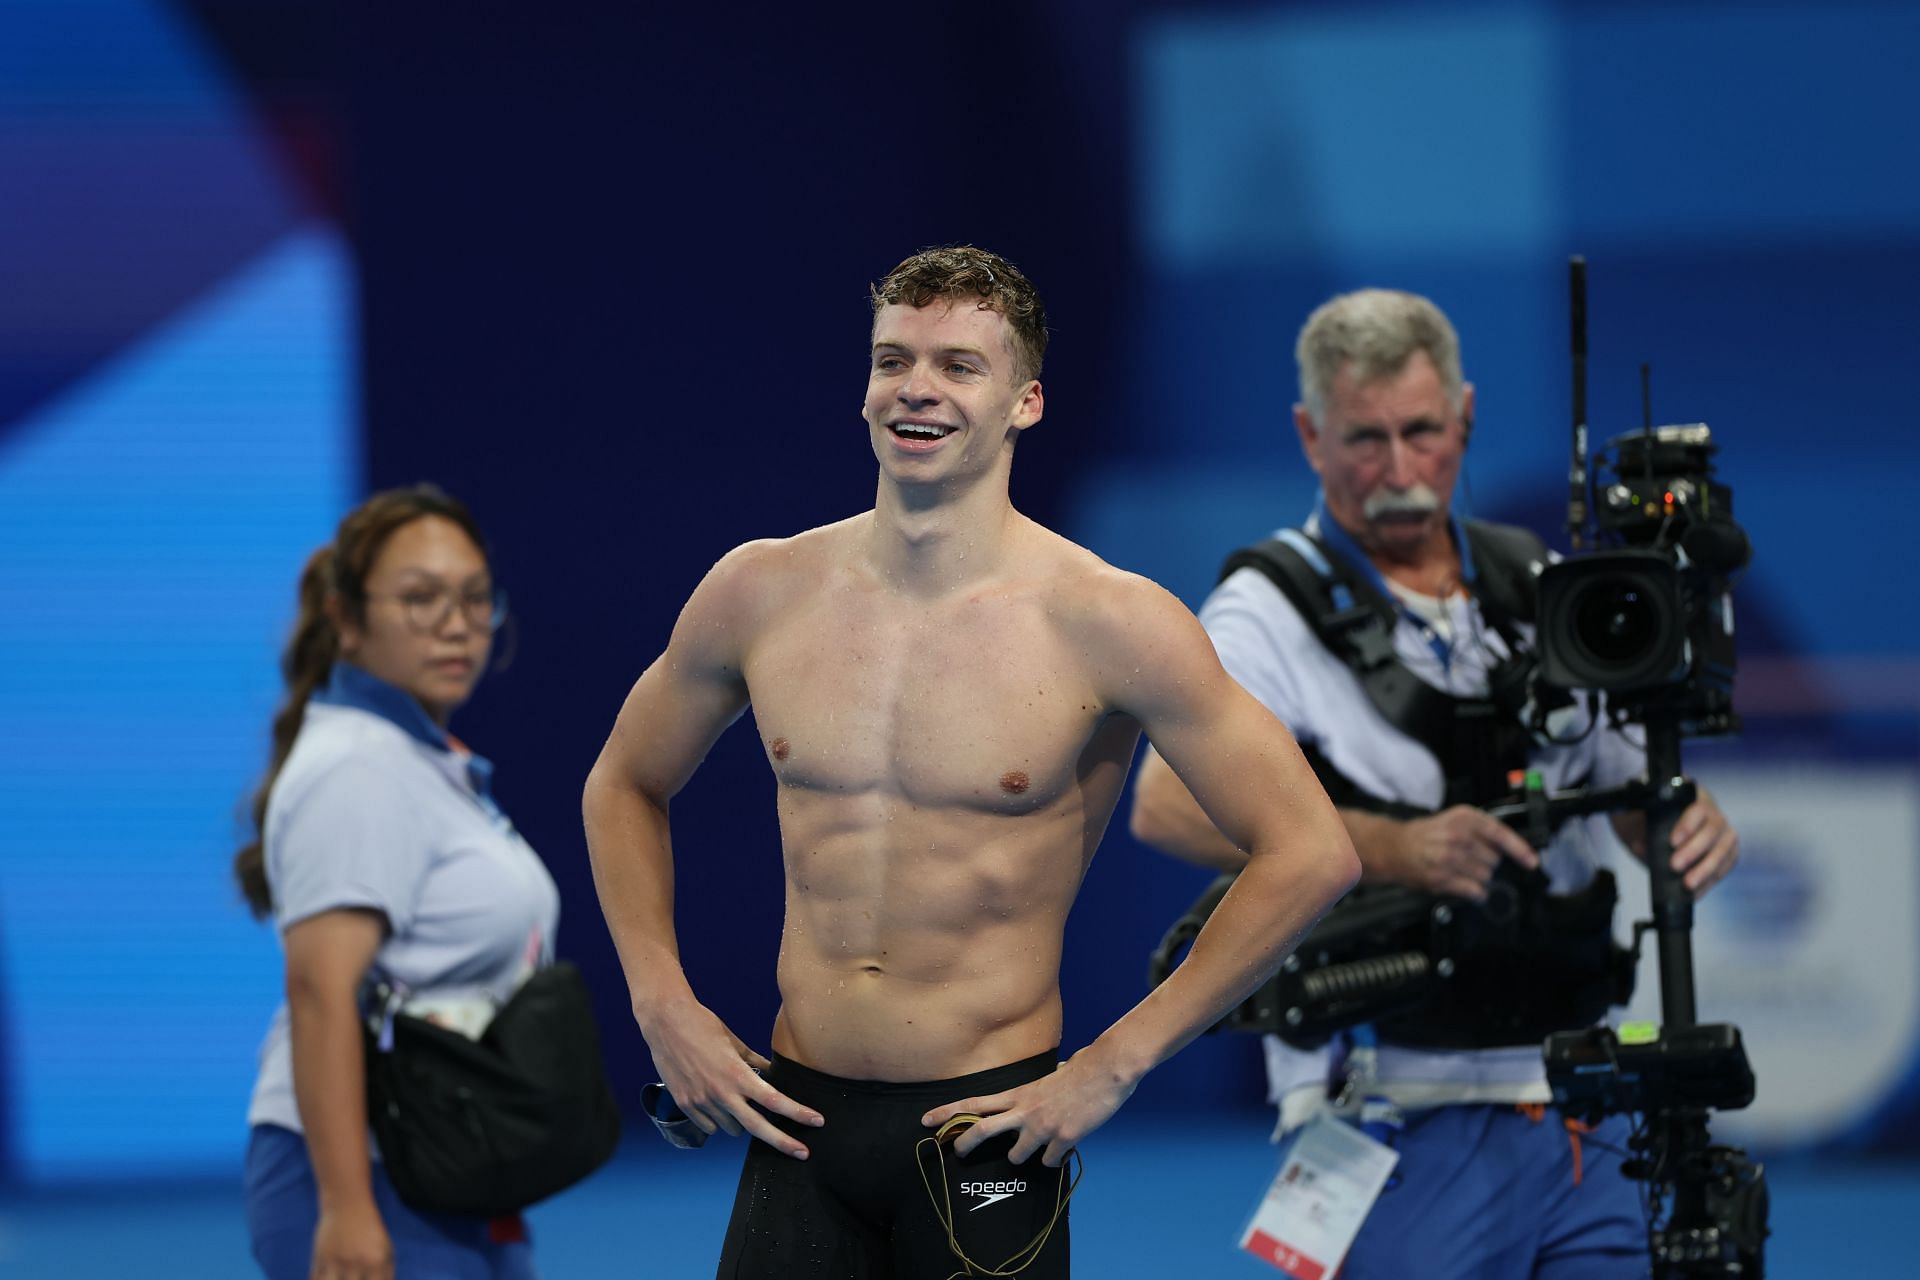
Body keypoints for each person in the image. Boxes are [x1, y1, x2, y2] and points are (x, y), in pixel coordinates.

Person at [582, 245, 1360, 1278]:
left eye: (958, 364)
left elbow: (1310, 850)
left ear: (1024, 402)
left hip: (986, 1136)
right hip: (798, 1127)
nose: (916, 386)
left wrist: (1113, 1063)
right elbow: (623, 781)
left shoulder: (1110, 620)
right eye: (892, 357)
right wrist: (660, 999)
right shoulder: (759, 590)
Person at [1129, 288, 1742, 1279]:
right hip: (1392, 1105)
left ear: (1463, 415)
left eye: (1422, 431)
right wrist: (1396, 846)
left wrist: (1681, 819)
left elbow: (1627, 791)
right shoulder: (1264, 609)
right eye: (1365, 439)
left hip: (1583, 1096)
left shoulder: (1531, 575)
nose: (1401, 470)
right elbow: (1166, 799)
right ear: (1309, 434)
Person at [237, 485, 556, 1280]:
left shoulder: (417, 758)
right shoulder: (355, 768)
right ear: (346, 618)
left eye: (475, 598)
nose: (456, 623)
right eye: (420, 599)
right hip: (366, 1177)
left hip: (450, 1165)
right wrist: (346, 1208)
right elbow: (321, 992)